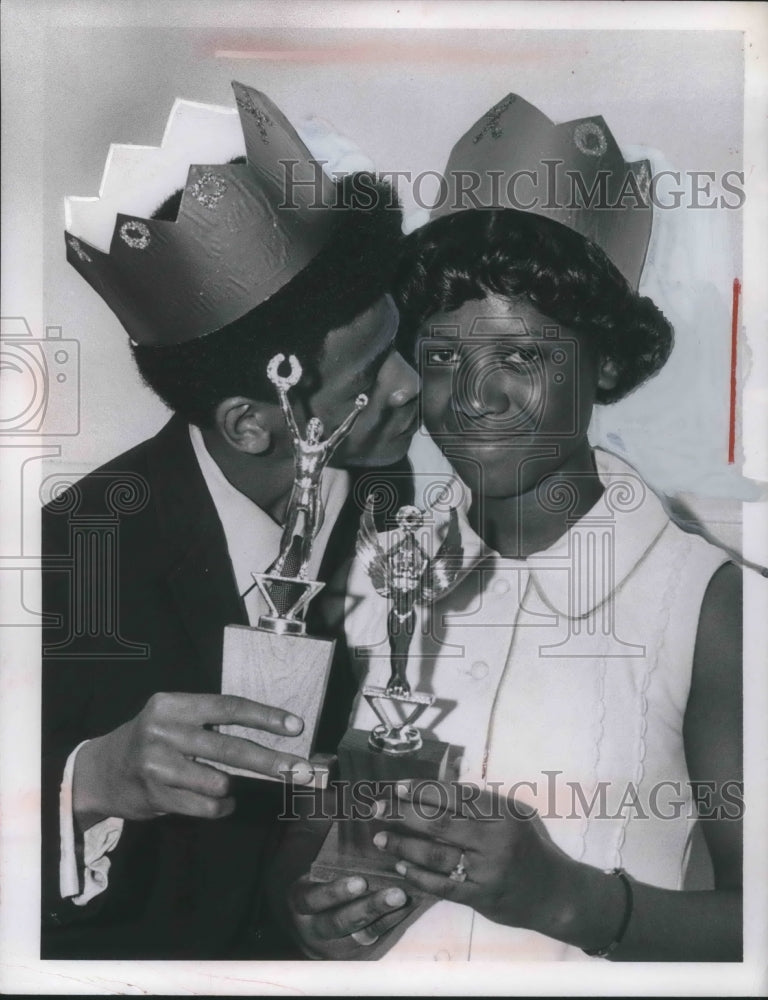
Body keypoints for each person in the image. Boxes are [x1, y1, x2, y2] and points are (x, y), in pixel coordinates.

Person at [281, 94, 743, 961]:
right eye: (443, 356)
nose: (475, 397)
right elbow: (301, 844)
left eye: (523, 356)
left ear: (605, 359)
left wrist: (574, 904)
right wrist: (312, 911)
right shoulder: (365, 581)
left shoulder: (707, 608)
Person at [41, 81, 420, 959]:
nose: (408, 386)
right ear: (255, 421)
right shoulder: (74, 552)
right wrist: (89, 780)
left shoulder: (393, 501)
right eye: (370, 371)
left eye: (399, 345)